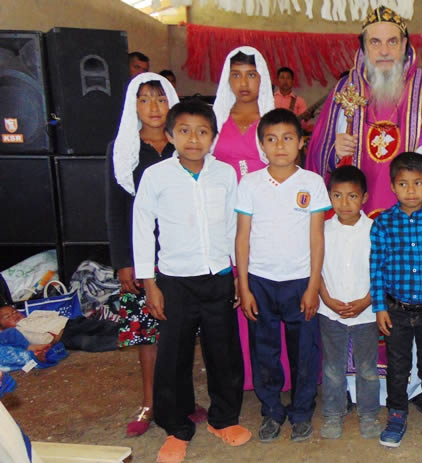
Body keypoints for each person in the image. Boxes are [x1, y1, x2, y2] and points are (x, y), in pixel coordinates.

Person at [133, 100, 250, 463]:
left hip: (218, 277)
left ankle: (224, 418)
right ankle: (177, 428)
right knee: (174, 357)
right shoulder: (156, 176)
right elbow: (142, 227)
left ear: (213, 137)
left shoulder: (225, 174)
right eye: (184, 131)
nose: (194, 139)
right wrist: (149, 282)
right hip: (175, 281)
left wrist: (237, 274)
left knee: (224, 352)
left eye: (202, 132)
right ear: (170, 135)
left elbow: (233, 227)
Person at [105, 72, 207, 437]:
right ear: (133, 105)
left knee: (181, 332)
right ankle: (151, 402)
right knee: (148, 335)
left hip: (181, 253)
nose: (153, 107)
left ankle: (182, 400)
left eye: (161, 99)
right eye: (145, 99)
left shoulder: (183, 143)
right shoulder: (124, 148)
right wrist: (124, 262)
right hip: (142, 256)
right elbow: (116, 209)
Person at [306, 5, 422, 218]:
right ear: (364, 47)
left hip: (411, 211)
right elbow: (318, 152)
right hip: (354, 214)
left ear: (404, 45)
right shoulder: (346, 88)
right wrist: (335, 151)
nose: (384, 51)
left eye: (392, 42)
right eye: (375, 42)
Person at [235, 109, 330, 443]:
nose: (279, 146)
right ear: (261, 145)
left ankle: (301, 412)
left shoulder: (312, 183)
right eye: (271, 139)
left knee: (304, 352)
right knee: (265, 351)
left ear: (301, 142)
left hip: (300, 281)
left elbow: (317, 238)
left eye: (287, 138)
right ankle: (272, 410)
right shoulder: (250, 184)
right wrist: (244, 286)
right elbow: (242, 238)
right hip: (260, 282)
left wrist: (314, 285)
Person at [369, 152, 422, 449]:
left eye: (418, 183)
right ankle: (396, 414)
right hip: (397, 309)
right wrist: (379, 307)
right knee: (397, 367)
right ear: (393, 186)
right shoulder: (383, 223)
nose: (410, 190)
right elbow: (376, 267)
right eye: (403, 184)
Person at [211, 46, 276, 392]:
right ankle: (243, 375)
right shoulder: (216, 119)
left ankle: (278, 373)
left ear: (261, 78)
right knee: (234, 292)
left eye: (251, 75)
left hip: (266, 218)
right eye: (236, 75)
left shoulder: (272, 119)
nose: (244, 83)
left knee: (266, 289)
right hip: (224, 219)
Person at [317, 165, 380, 440]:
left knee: (367, 368)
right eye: (337, 196)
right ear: (329, 196)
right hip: (330, 312)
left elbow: (382, 270)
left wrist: (367, 300)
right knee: (332, 368)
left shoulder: (375, 231)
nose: (344, 203)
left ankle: (369, 414)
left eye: (352, 196)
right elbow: (315, 268)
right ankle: (333, 414)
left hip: (366, 313)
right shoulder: (321, 230)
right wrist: (326, 298)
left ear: (364, 198)